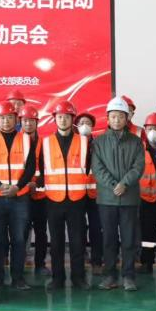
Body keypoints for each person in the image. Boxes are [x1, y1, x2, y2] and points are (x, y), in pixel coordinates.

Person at [0, 101, 37, 291]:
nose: (6, 121)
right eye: (2, 118)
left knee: (19, 239)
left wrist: (17, 187)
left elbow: (30, 168)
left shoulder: (26, 140)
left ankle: (18, 278)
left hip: (20, 197)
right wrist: (0, 185)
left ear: (16, 119)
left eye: (10, 117)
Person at [38, 101, 93, 290]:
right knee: (56, 244)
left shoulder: (84, 142)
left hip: (77, 200)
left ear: (72, 119)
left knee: (78, 242)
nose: (63, 120)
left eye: (67, 117)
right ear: (55, 119)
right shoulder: (46, 143)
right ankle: (57, 279)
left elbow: (89, 168)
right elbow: (41, 171)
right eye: (59, 117)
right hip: (53, 200)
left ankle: (78, 278)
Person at [92, 97, 145, 291]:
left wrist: (125, 183)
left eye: (121, 116)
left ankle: (129, 276)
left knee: (129, 240)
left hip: (129, 198)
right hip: (107, 199)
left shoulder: (136, 142)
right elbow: (97, 168)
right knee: (109, 240)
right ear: (107, 118)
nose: (116, 120)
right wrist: (114, 185)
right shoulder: (98, 142)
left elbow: (138, 166)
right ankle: (110, 276)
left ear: (126, 118)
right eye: (113, 116)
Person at [20, 105, 50, 279]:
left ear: (37, 122)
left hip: (40, 195)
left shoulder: (44, 143)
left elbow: (48, 169)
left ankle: (40, 264)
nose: (28, 124)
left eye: (31, 121)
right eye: (25, 121)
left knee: (41, 232)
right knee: (21, 232)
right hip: (21, 195)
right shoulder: (16, 143)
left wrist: (36, 183)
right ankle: (19, 264)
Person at [137, 112, 156, 273]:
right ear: (145, 130)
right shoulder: (138, 149)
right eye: (149, 128)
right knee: (147, 233)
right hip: (146, 198)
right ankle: (147, 263)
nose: (153, 132)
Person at [75, 111, 103, 270]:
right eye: (81, 123)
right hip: (77, 192)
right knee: (78, 228)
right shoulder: (72, 144)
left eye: (87, 123)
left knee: (96, 228)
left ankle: (97, 260)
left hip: (95, 193)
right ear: (76, 126)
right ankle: (81, 258)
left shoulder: (99, 144)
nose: (84, 126)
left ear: (92, 126)